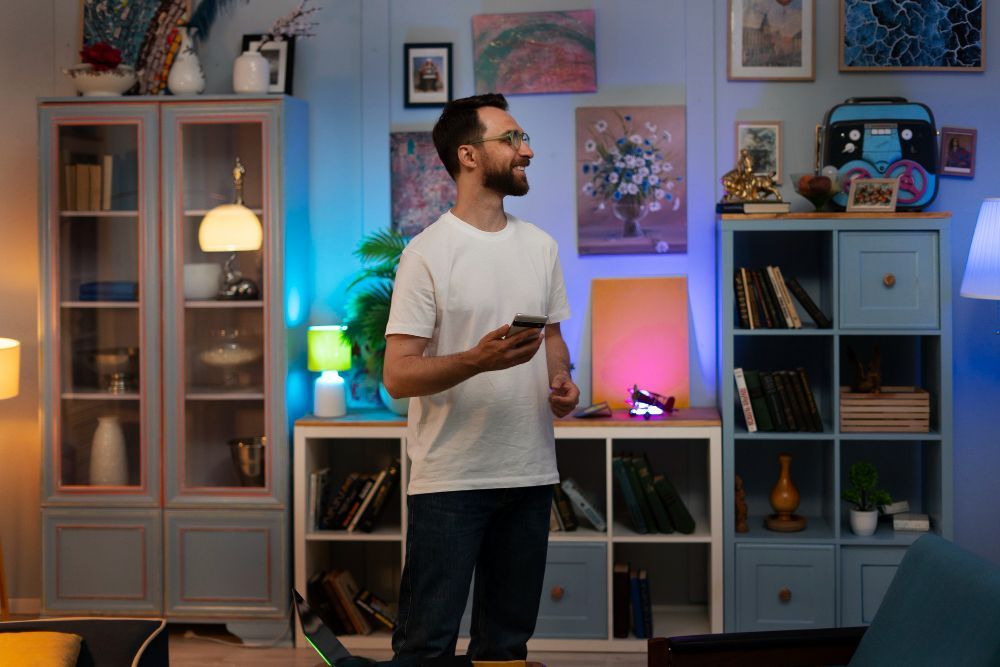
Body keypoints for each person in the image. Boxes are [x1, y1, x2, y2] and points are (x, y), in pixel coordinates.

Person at [382, 93, 580, 661]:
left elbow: (553, 340)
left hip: (529, 473)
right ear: (468, 155)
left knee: (506, 647)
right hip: (450, 482)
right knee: (426, 645)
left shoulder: (541, 247)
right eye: (513, 140)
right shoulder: (426, 254)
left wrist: (562, 383)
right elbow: (398, 375)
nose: (529, 150)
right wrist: (476, 359)